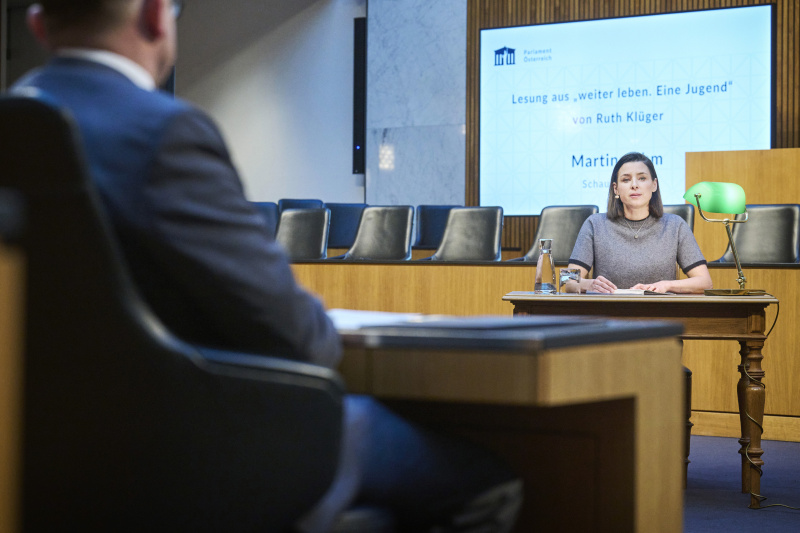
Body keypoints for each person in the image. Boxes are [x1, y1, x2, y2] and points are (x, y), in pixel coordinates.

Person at [11, 1, 522, 531]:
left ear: (38, 25)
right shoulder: (163, 133)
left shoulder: (17, 132)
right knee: (486, 478)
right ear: (157, 17)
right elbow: (296, 336)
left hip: (39, 449)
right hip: (188, 448)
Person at [568, 152, 713, 294]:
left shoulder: (675, 225)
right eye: (626, 180)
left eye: (642, 178)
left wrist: (667, 285)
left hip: (662, 313)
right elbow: (567, 281)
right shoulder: (595, 224)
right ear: (616, 188)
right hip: (609, 314)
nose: (634, 185)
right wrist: (589, 284)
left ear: (654, 185)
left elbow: (705, 282)